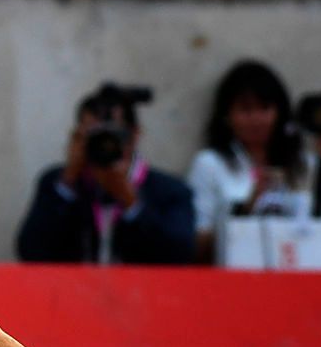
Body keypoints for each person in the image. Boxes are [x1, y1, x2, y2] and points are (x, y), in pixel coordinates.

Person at [15, 82, 195, 265]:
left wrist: (131, 201)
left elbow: (179, 257)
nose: (104, 145)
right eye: (94, 135)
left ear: (135, 135)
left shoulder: (171, 192)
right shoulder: (58, 184)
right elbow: (31, 253)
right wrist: (67, 182)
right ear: (78, 136)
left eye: (112, 136)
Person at [186, 59, 321, 263]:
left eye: (264, 108)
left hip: (301, 272)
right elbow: (195, 244)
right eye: (245, 109)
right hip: (235, 277)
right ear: (226, 116)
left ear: (280, 112)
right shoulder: (210, 164)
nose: (256, 119)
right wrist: (246, 209)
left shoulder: (303, 163)